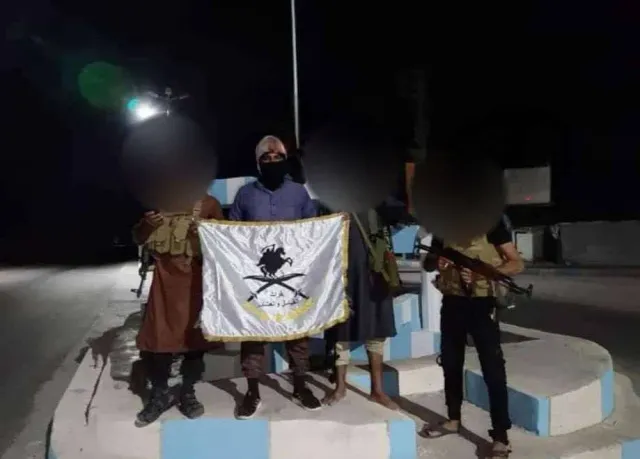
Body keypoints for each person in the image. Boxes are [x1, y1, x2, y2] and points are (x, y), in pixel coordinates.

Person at [228, 135, 322, 419]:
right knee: (254, 332)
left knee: (297, 331)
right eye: (266, 159)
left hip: (292, 279)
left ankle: (300, 385)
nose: (272, 162)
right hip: (255, 278)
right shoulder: (245, 194)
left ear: (285, 160)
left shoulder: (298, 193)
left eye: (277, 158)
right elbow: (232, 232)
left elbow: (312, 230)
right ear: (258, 164)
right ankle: (252, 391)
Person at [421, 218, 524, 458]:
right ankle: (453, 419)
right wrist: (438, 262)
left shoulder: (492, 224)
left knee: (493, 369)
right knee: (450, 363)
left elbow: (517, 263)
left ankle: (500, 437)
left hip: (482, 304)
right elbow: (428, 263)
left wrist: (485, 272)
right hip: (452, 303)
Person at [132, 195, 224, 427]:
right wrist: (148, 224)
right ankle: (159, 394)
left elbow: (225, 240)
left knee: (194, 344)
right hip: (164, 282)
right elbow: (138, 237)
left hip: (197, 282)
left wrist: (204, 232)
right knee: (160, 343)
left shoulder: (209, 204)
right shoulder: (157, 202)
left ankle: (187, 393)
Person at [322, 203, 402, 410]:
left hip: (376, 272)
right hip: (343, 274)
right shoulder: (331, 200)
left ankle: (377, 391)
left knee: (376, 332)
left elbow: (402, 212)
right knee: (341, 331)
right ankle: (340, 388)